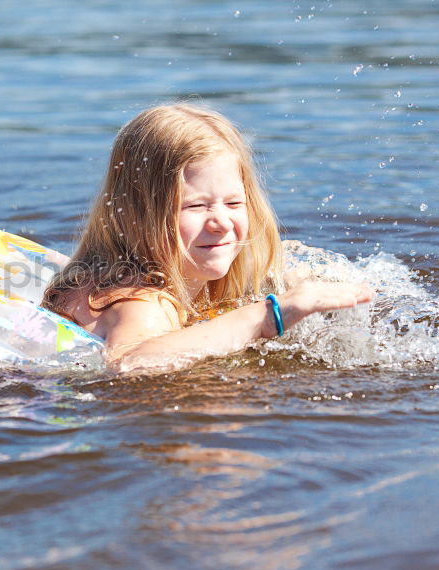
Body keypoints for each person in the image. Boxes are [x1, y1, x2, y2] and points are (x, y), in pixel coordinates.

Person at [42, 103, 373, 371]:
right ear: (139, 216)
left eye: (233, 203)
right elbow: (129, 362)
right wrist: (268, 315)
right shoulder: (141, 301)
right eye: (196, 205)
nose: (221, 223)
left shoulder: (133, 271)